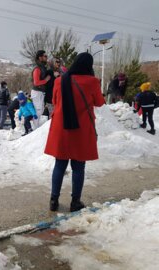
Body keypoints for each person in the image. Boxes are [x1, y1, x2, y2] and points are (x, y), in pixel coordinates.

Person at [44, 52, 105, 212]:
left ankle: (54, 200)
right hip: (81, 130)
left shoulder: (59, 81)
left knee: (59, 164)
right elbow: (99, 102)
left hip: (62, 128)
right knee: (79, 166)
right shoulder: (92, 82)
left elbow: (54, 101)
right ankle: (75, 202)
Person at [31, 50, 51, 128]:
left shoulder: (42, 67)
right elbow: (36, 82)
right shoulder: (37, 69)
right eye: (45, 56)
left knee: (41, 110)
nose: (46, 58)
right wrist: (46, 80)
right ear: (40, 58)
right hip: (37, 92)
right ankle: (34, 129)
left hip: (41, 92)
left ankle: (36, 127)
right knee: (38, 110)